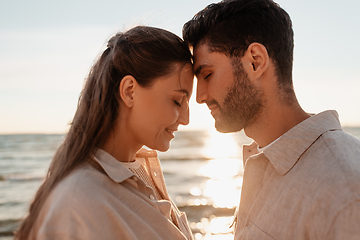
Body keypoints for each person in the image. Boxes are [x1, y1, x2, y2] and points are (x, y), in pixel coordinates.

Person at [183, 0, 360, 239]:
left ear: (255, 61)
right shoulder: (262, 157)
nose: (200, 97)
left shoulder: (343, 189)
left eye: (207, 74)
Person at [15, 26, 194, 240]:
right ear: (129, 91)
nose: (185, 119)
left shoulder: (140, 174)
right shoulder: (79, 201)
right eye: (177, 101)